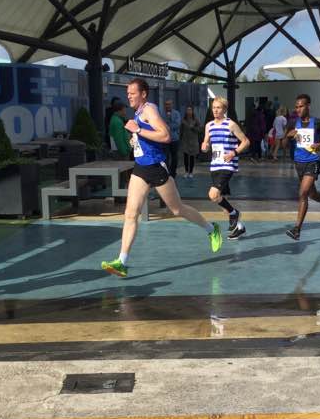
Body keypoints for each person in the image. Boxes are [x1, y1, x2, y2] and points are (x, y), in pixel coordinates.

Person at [100, 78, 221, 278]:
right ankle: (122, 261)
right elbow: (147, 136)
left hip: (156, 168)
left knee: (177, 209)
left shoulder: (149, 109)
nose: (128, 96)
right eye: (128, 93)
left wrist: (138, 130)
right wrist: (135, 140)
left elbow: (165, 136)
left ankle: (211, 229)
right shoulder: (138, 112)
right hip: (141, 168)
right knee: (130, 214)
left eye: (132, 93)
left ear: (143, 94)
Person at [284, 94, 320, 241]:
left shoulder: (317, 123)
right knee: (312, 194)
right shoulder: (293, 123)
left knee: (303, 193)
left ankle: (297, 230)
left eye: (301, 106)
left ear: (308, 106)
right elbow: (283, 144)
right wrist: (289, 135)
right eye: (296, 107)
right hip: (298, 163)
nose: (298, 109)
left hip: (313, 161)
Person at [201, 97, 250, 239]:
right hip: (215, 165)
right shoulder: (209, 125)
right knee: (221, 200)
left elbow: (246, 141)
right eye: (214, 107)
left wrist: (234, 153)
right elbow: (206, 144)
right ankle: (239, 227)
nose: (215, 110)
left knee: (213, 194)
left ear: (224, 109)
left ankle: (235, 213)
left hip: (227, 165)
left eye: (218, 107)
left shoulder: (231, 124)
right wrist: (205, 147)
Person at [180, 105, 202, 178]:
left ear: (192, 111)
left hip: (193, 141)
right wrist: (180, 138)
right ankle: (186, 171)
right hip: (185, 141)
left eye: (190, 110)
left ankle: (191, 172)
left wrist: (193, 128)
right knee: (185, 157)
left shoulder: (195, 120)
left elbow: (200, 129)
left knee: (192, 157)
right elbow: (181, 130)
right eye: (187, 110)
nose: (189, 111)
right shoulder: (183, 120)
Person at [163, 100, 182, 178]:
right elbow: (160, 124)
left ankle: (173, 172)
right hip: (164, 139)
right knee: (165, 156)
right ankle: (166, 172)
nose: (168, 106)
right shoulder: (162, 114)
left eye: (169, 104)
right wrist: (167, 125)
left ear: (172, 105)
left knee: (174, 157)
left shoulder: (176, 114)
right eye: (166, 104)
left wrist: (167, 125)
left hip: (174, 139)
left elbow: (177, 124)